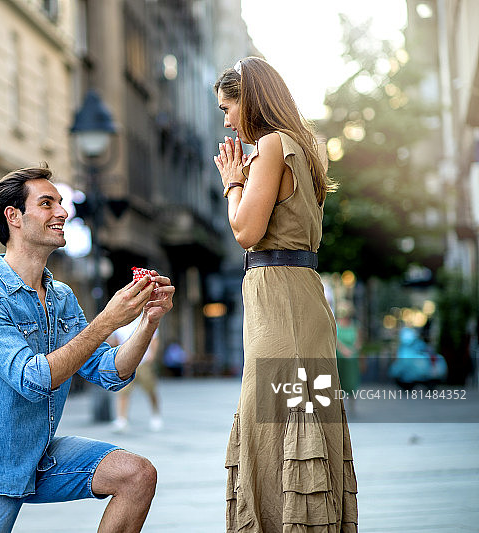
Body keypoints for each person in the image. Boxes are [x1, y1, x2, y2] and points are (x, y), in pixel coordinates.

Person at [0, 164, 175, 533]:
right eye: (47, 203)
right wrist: (107, 321)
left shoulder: (61, 296)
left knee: (136, 475)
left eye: (62, 203)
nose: (63, 213)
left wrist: (149, 320)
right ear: (14, 217)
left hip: (42, 455)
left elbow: (109, 371)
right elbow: (33, 379)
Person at [214, 57, 357, 532]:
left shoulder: (272, 146)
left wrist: (233, 183)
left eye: (228, 107)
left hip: (279, 301)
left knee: (272, 422)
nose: (228, 120)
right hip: (304, 295)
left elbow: (247, 231)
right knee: (304, 413)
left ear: (250, 99)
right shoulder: (311, 145)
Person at [109, 314, 163, 432]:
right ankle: (122, 419)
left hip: (143, 362)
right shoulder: (121, 322)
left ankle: (156, 415)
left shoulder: (147, 320)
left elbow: (154, 339)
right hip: (126, 363)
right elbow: (117, 342)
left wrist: (152, 355)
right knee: (123, 391)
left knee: (150, 390)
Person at [335, 302, 362, 409]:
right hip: (339, 358)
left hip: (352, 359)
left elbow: (359, 341)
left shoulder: (355, 325)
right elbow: (335, 341)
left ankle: (351, 405)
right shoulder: (335, 325)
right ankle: (339, 405)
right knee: (338, 381)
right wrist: (343, 350)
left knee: (351, 382)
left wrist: (353, 350)